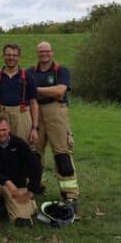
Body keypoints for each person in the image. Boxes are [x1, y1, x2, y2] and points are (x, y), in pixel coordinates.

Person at [27, 41, 79, 208]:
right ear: (37, 53)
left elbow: (59, 92)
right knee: (34, 154)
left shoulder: (61, 70)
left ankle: (70, 195)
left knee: (62, 155)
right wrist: (47, 90)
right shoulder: (30, 72)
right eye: (41, 52)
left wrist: (36, 89)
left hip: (56, 112)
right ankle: (36, 187)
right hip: (35, 112)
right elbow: (28, 91)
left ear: (52, 52)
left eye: (47, 51)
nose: (44, 54)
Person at [0, 115, 41, 227]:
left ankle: (30, 204)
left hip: (17, 186)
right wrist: (7, 182)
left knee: (22, 223)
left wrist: (31, 190)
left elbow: (36, 166)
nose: (1, 133)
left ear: (9, 129)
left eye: (4, 130)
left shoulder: (20, 144)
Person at [0, 43, 39, 150]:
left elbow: (33, 102)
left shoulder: (28, 77)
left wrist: (34, 128)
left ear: (19, 57)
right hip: (0, 114)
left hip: (22, 115)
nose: (11, 58)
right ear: (3, 56)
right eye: (8, 55)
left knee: (22, 147)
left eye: (14, 55)